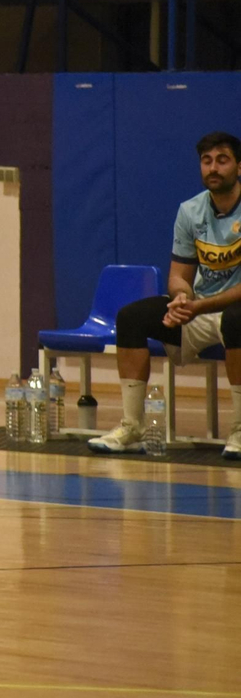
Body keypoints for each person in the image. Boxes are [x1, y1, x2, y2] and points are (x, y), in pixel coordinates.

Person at [91, 131, 241, 459]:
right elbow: (179, 275)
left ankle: (240, 428)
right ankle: (133, 426)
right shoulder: (190, 211)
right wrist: (181, 299)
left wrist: (198, 306)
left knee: (236, 317)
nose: (213, 168)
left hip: (232, 311)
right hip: (200, 309)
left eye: (222, 160)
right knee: (131, 317)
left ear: (238, 166)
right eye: (206, 161)